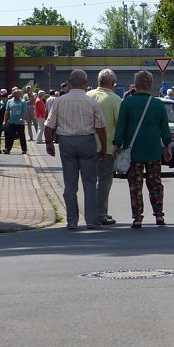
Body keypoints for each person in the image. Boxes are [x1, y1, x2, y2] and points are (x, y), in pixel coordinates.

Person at [44, 69, 108, 230]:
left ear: (70, 83)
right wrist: (103, 147)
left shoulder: (60, 101)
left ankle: (72, 220)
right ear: (85, 83)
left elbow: (49, 124)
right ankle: (91, 220)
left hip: (66, 141)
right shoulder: (91, 102)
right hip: (87, 141)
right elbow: (100, 127)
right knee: (90, 182)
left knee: (70, 183)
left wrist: (49, 143)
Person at [113, 70, 172, 228]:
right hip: (153, 150)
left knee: (135, 185)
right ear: (151, 85)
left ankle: (137, 217)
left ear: (135, 85)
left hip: (133, 152)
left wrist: (117, 145)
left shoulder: (127, 103)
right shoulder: (158, 104)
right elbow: (164, 129)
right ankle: (159, 214)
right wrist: (167, 146)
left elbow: (121, 128)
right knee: (155, 184)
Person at [87, 68, 122, 226]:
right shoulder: (115, 100)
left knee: (89, 181)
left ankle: (91, 213)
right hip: (106, 146)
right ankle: (100, 213)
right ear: (113, 83)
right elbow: (120, 124)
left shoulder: (87, 96)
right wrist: (118, 145)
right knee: (104, 181)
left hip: (86, 145)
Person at [3, 88, 29, 154]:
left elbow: (25, 111)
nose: (17, 95)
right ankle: (8, 149)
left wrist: (23, 118)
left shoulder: (23, 102)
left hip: (20, 122)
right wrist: (5, 120)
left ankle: (24, 149)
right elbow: (7, 111)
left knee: (21, 136)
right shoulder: (10, 101)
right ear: (13, 95)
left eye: (18, 94)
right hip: (12, 121)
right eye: (16, 94)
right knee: (10, 136)